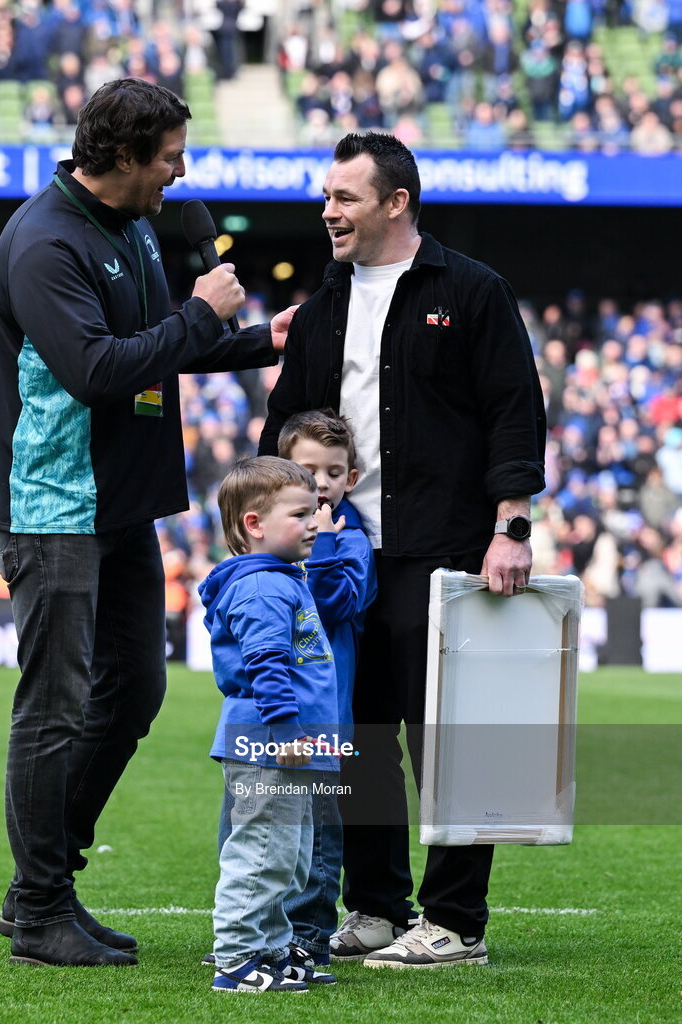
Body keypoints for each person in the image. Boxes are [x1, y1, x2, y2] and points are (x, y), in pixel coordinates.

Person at [0, 78, 295, 968]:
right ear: (119, 156)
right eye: (167, 157)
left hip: (117, 502)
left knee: (135, 693)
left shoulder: (135, 228)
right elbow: (93, 368)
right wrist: (203, 314)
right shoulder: (43, 241)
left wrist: (262, 340)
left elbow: (164, 343)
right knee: (51, 709)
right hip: (56, 506)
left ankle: (40, 887)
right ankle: (40, 908)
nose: (180, 171)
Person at [259, 131, 546, 968]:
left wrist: (509, 527)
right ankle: (377, 909)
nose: (327, 212)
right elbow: (284, 428)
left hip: (449, 551)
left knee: (449, 739)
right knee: (358, 735)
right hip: (345, 557)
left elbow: (513, 413)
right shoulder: (321, 307)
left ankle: (455, 922)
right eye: (325, 197)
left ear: (396, 202)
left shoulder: (472, 290)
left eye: (344, 198)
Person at [199, 456, 339, 992]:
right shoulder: (263, 589)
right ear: (254, 524)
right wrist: (286, 735)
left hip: (288, 747)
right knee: (261, 853)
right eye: (301, 514)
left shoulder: (282, 580)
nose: (314, 523)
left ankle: (273, 949)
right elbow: (266, 666)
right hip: (269, 746)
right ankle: (236, 958)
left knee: (289, 858)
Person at [276, 410, 377, 963]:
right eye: (305, 468)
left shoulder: (353, 541)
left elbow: (337, 603)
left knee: (317, 836)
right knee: (260, 825)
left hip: (324, 720)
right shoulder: (267, 539)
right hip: (267, 716)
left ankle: (309, 934)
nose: (319, 482)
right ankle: (257, 929)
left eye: (332, 472)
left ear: (350, 480)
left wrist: (327, 545)